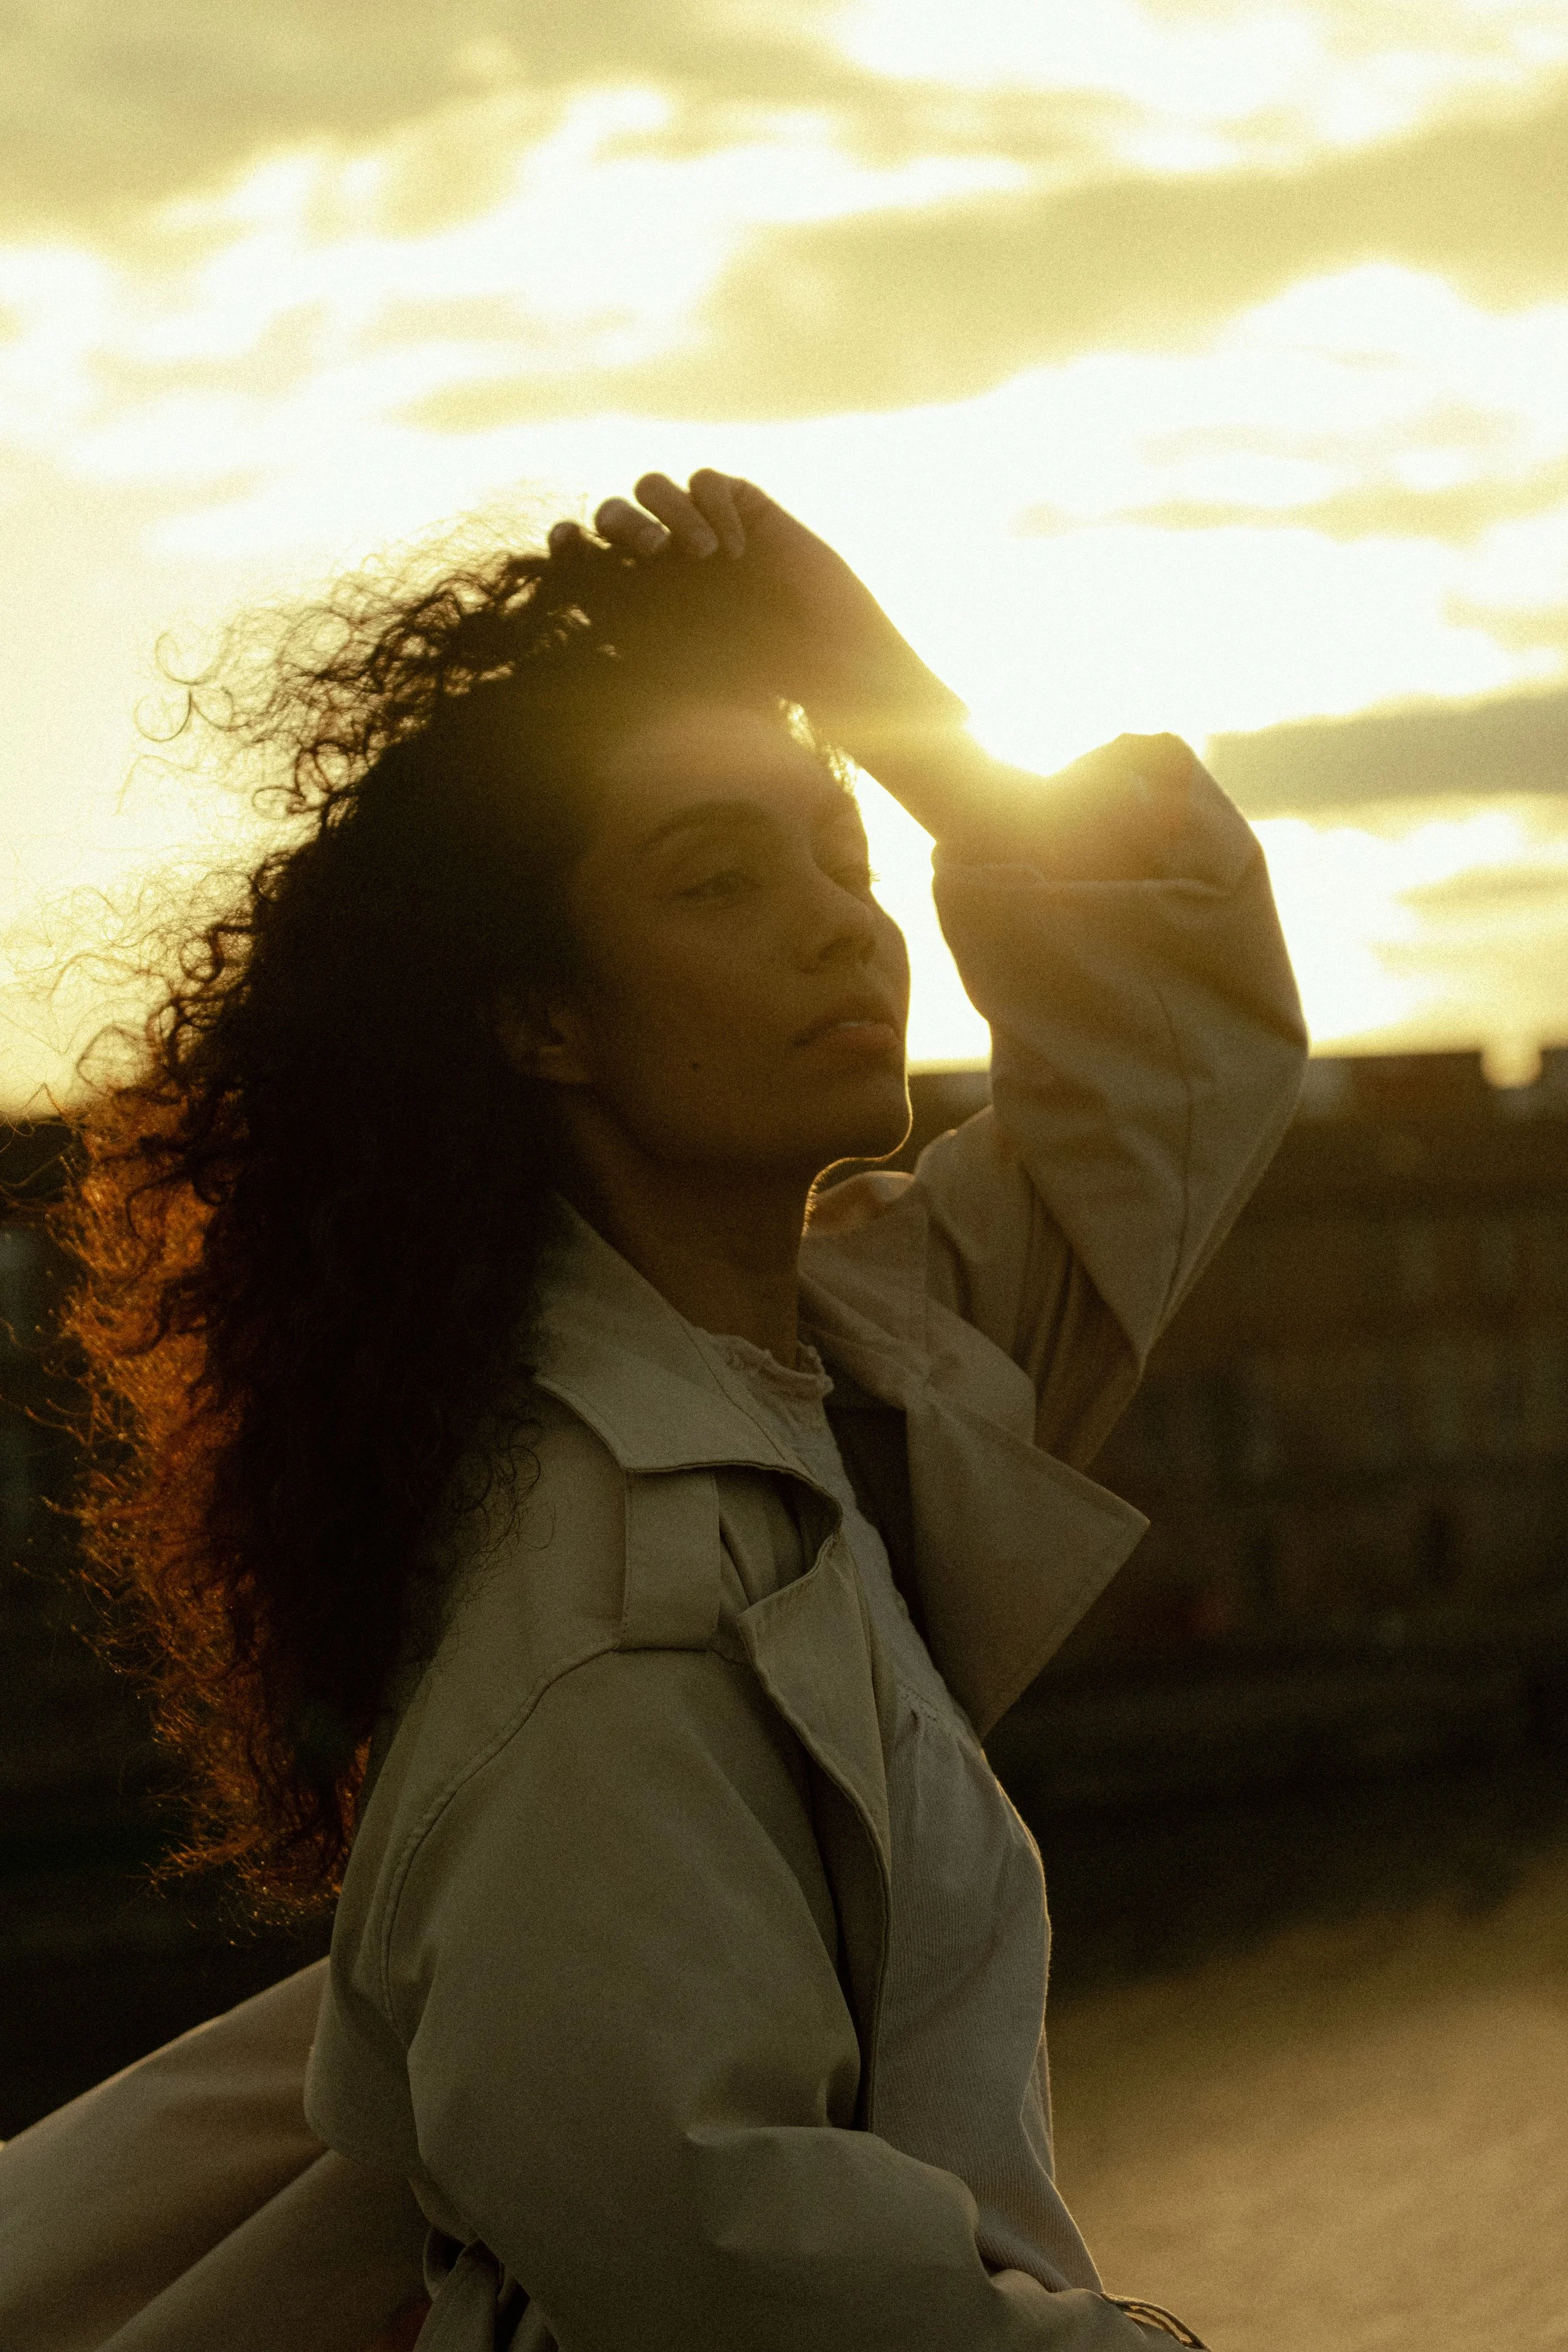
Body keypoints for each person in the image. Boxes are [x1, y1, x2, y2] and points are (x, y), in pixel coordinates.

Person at [0, 471, 1306, 2351]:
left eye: (843, 861)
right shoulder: (611, 1594)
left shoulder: (853, 1375)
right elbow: (725, 2267)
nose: (843, 931)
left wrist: (886, 694)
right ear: (544, 1019)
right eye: (719, 881)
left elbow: (1174, 1061)